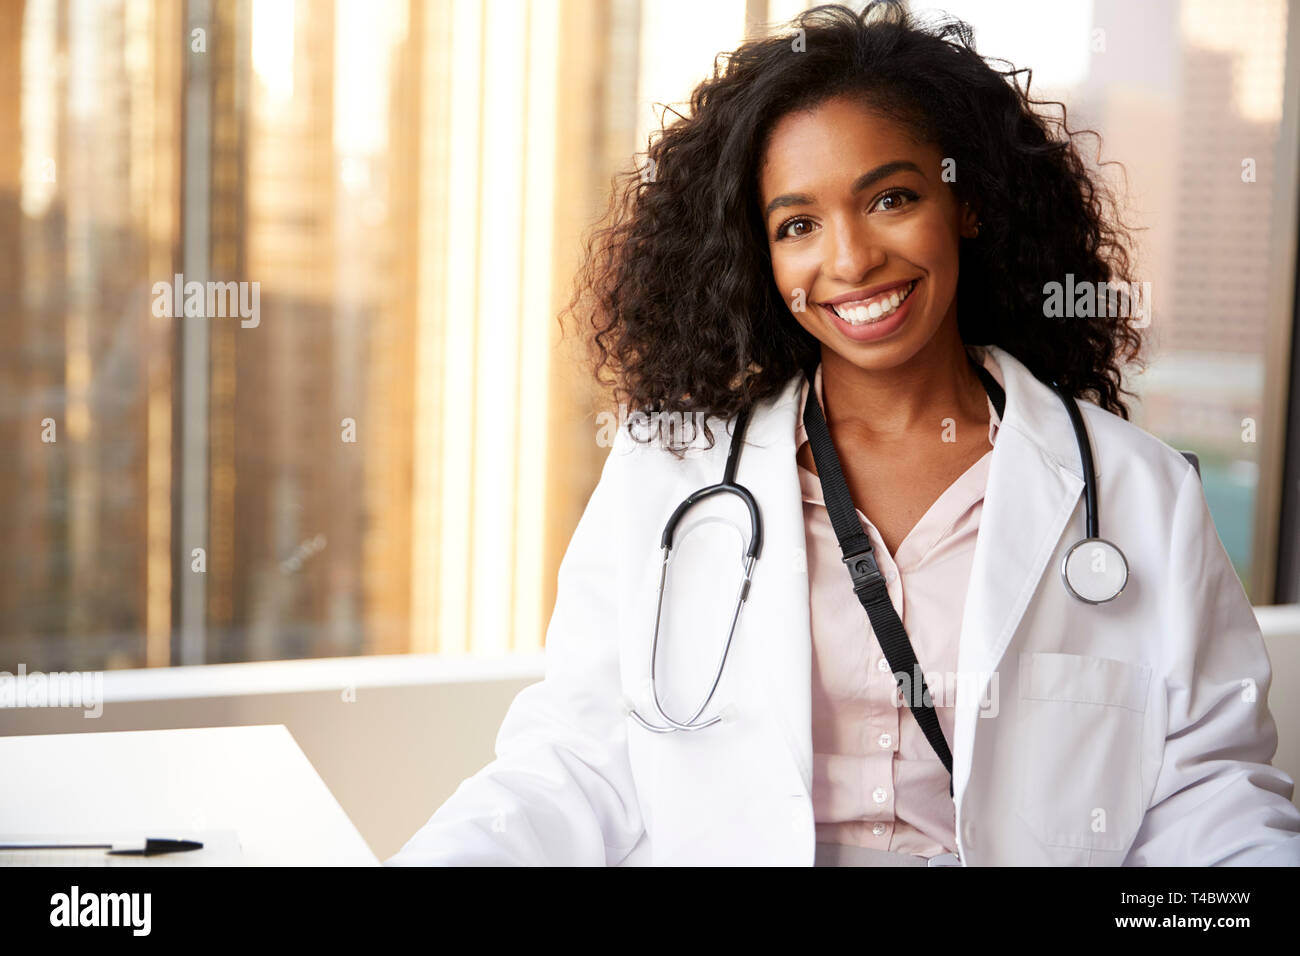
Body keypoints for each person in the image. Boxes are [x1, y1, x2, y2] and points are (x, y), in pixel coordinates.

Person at [387, 1, 1300, 866]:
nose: (852, 260)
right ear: (762, 254)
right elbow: (577, 760)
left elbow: (1205, 794)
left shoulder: (1138, 492)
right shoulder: (670, 470)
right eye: (798, 225)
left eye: (891, 199)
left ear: (966, 203)